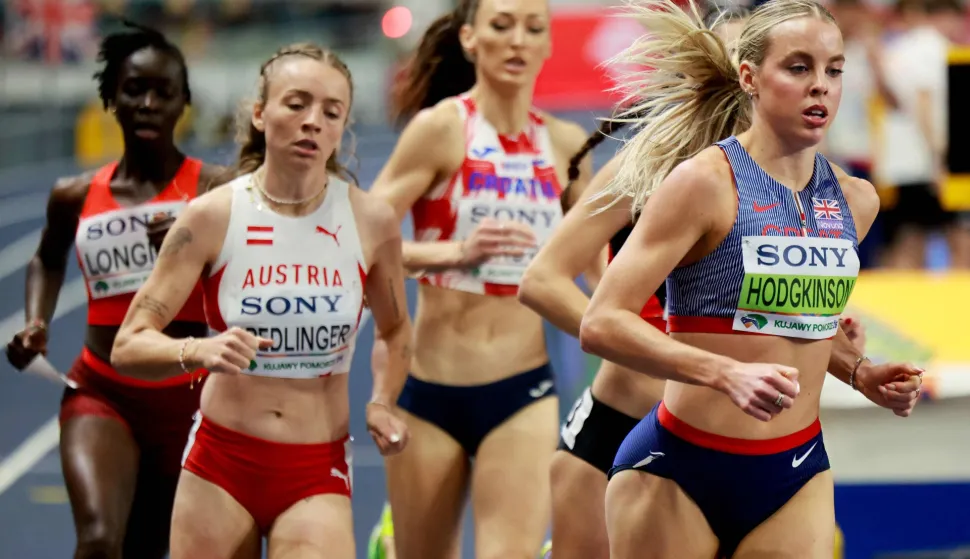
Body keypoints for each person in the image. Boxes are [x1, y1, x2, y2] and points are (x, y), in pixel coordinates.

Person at [576, 1, 925, 557]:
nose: (821, 87)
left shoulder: (856, 200)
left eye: (834, 70)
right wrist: (722, 373)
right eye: (798, 67)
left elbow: (796, 324)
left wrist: (860, 371)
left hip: (795, 473)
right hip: (678, 469)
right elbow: (601, 322)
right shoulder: (702, 183)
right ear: (749, 78)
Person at [109, 42, 412, 559]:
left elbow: (395, 330)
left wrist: (382, 399)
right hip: (220, 465)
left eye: (331, 112)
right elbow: (129, 344)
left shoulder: (371, 222)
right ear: (259, 113)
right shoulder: (211, 217)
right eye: (296, 104)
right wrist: (197, 352)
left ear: (342, 128)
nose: (313, 121)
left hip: (316, 467)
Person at [366, 1, 595, 558]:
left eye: (533, 29)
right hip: (428, 390)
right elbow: (363, 238)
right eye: (501, 26)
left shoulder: (566, 146)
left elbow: (603, 269)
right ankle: (389, 542)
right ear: (469, 39)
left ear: (547, 45)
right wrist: (455, 253)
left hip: (523, 391)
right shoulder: (441, 129)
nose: (517, 40)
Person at [4, 22, 225, 559]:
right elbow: (45, 260)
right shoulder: (74, 195)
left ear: (183, 103)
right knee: (101, 541)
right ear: (111, 98)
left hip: (190, 399)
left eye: (163, 92)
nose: (147, 103)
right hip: (102, 391)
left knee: (154, 545)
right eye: (133, 90)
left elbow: (251, 272)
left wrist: (186, 247)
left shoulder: (215, 190)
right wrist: (35, 322)